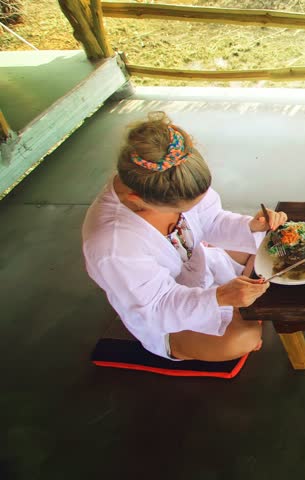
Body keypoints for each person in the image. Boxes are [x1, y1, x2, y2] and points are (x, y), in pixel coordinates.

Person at [82, 112, 287, 361]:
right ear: (137, 200)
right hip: (165, 315)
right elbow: (157, 307)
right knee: (244, 338)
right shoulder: (112, 246)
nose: (186, 215)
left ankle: (239, 299)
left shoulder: (173, 175)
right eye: (181, 211)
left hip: (200, 265)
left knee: (274, 246)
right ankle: (234, 306)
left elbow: (212, 220)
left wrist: (253, 227)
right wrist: (219, 297)